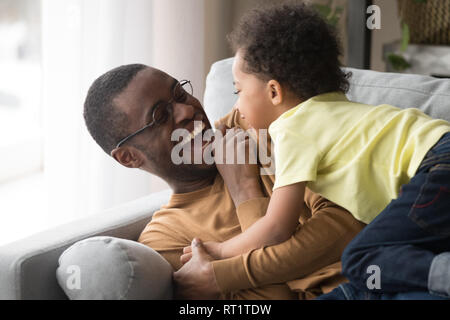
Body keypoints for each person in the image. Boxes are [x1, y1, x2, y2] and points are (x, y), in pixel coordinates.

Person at [190, 3, 449, 299]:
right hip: (438, 160)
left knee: (362, 257)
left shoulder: (291, 129)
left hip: (436, 166)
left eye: (238, 91)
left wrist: (220, 250)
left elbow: (276, 228)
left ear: (274, 92)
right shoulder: (332, 106)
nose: (236, 107)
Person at [83, 63, 365, 299]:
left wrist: (233, 270)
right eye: (161, 116)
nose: (186, 111)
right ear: (129, 157)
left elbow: (350, 219)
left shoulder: (252, 124)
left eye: (180, 94)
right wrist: (245, 192)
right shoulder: (167, 237)